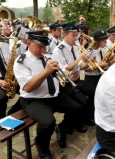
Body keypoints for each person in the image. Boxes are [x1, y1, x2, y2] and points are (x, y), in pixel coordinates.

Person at [13, 30, 84, 158]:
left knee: (76, 108)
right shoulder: (21, 61)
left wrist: (70, 74)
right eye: (39, 46)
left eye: (45, 45)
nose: (43, 49)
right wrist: (46, 71)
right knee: (48, 122)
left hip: (53, 95)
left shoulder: (48, 56)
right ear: (28, 43)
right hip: (33, 99)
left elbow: (61, 73)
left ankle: (62, 129)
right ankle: (42, 145)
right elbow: (28, 87)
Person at [52, 22, 96, 128]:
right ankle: (65, 126)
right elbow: (65, 69)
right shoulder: (58, 50)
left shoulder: (75, 47)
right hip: (66, 84)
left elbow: (79, 66)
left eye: (77, 35)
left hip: (76, 80)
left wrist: (89, 62)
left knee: (94, 91)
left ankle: (84, 118)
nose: (76, 38)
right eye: (73, 35)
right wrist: (80, 59)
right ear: (65, 35)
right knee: (81, 102)